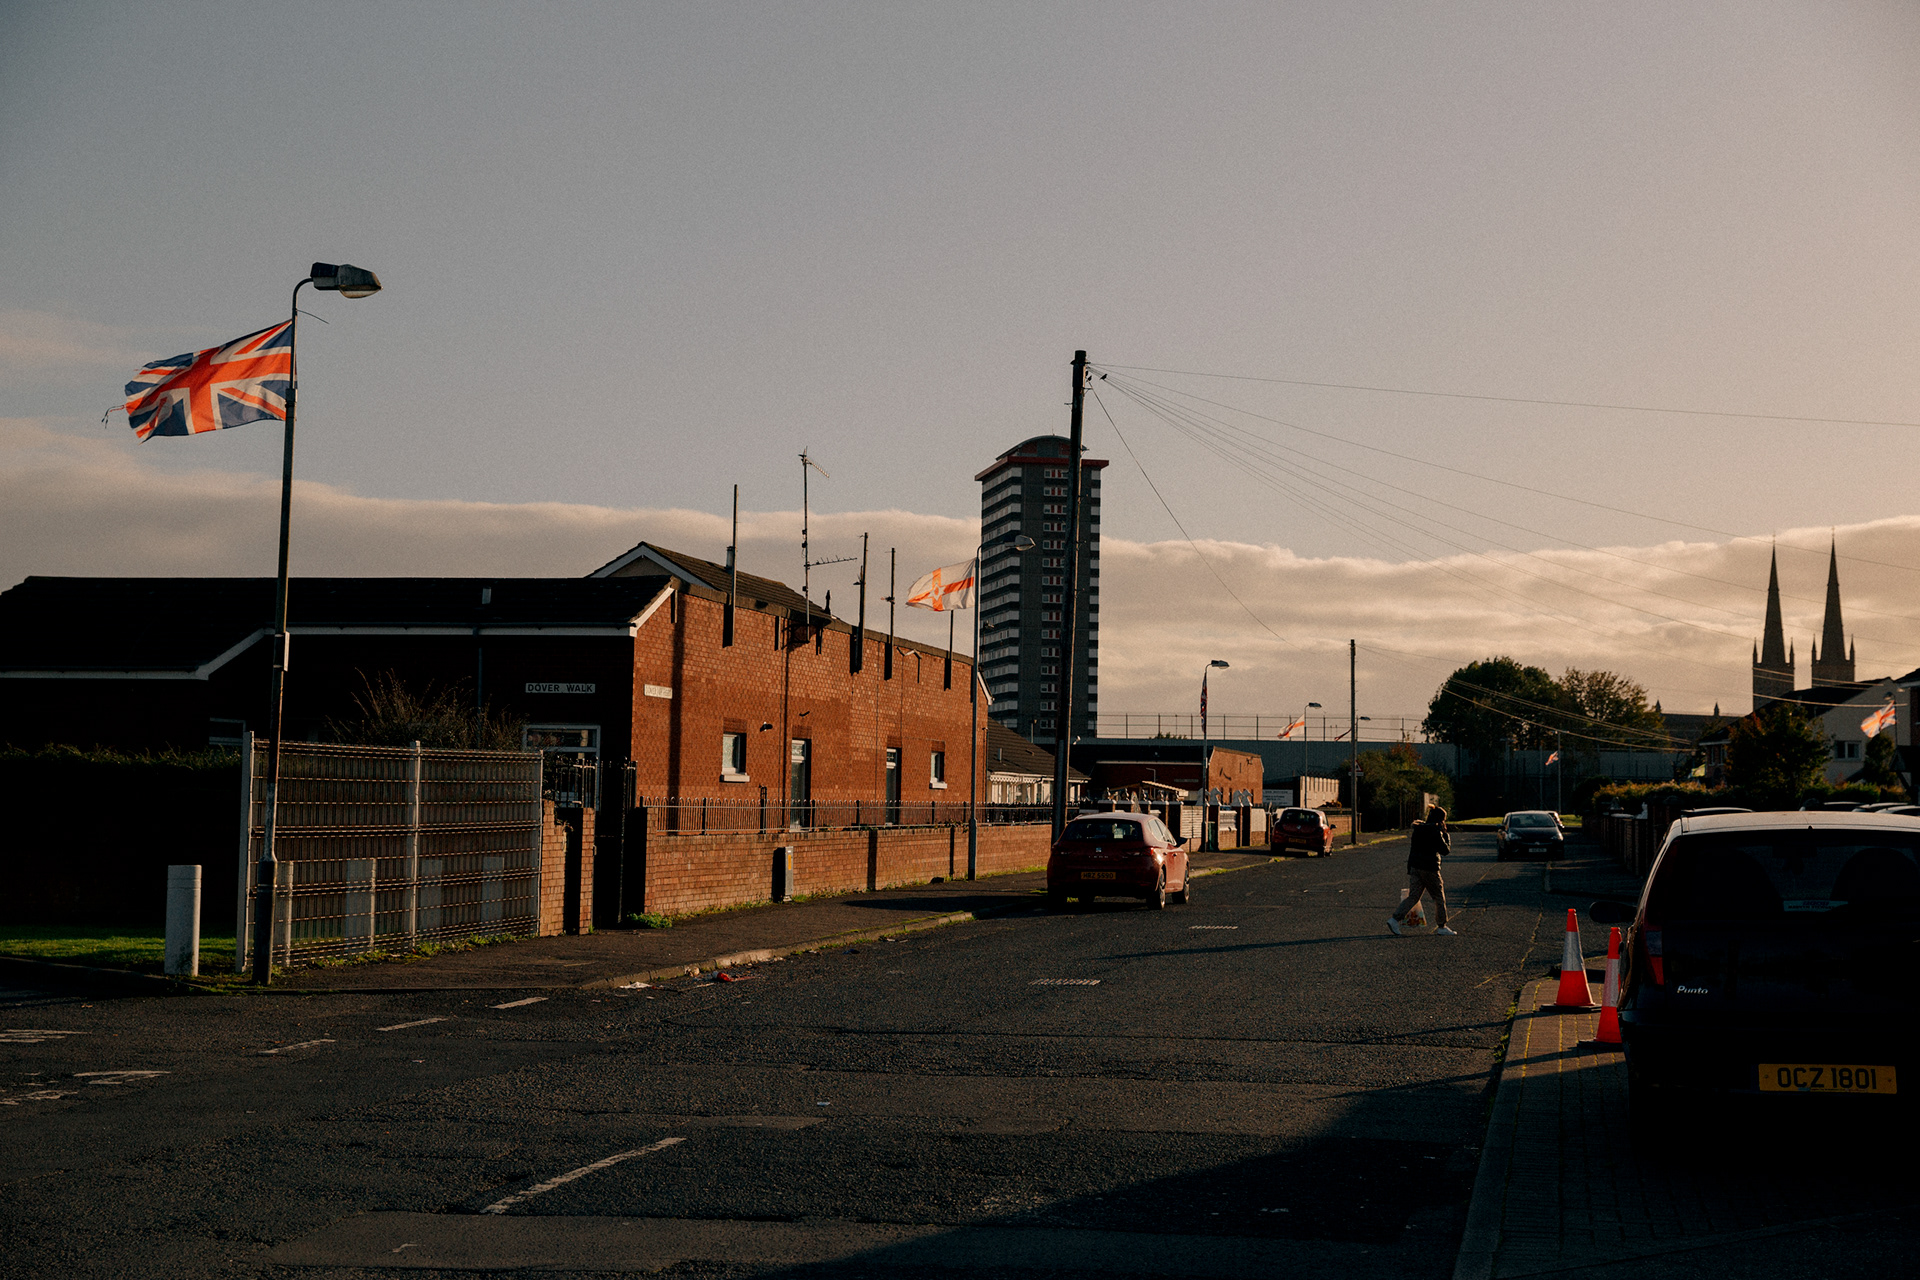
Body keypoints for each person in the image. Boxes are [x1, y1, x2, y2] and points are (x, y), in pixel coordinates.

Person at [1389, 804, 1455, 936]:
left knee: (1414, 896)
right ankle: (1442, 926)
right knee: (1438, 896)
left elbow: (1413, 849)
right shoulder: (1435, 831)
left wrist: (1410, 868)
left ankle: (1394, 919)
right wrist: (1445, 834)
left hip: (1416, 866)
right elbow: (1445, 850)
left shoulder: (1418, 829)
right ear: (1440, 820)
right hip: (1430, 868)